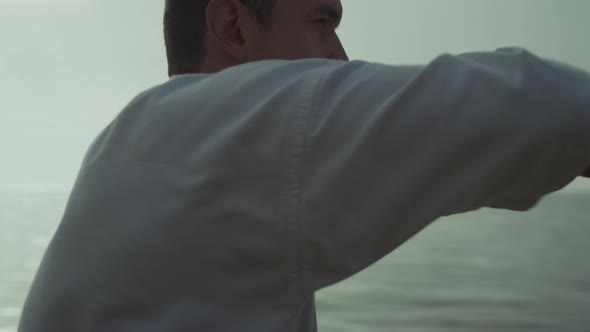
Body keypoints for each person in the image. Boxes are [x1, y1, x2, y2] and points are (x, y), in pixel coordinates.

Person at [18, 0, 590, 331]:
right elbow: (542, 108)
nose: (340, 54)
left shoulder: (128, 147)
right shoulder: (229, 127)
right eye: (322, 20)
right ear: (234, 28)